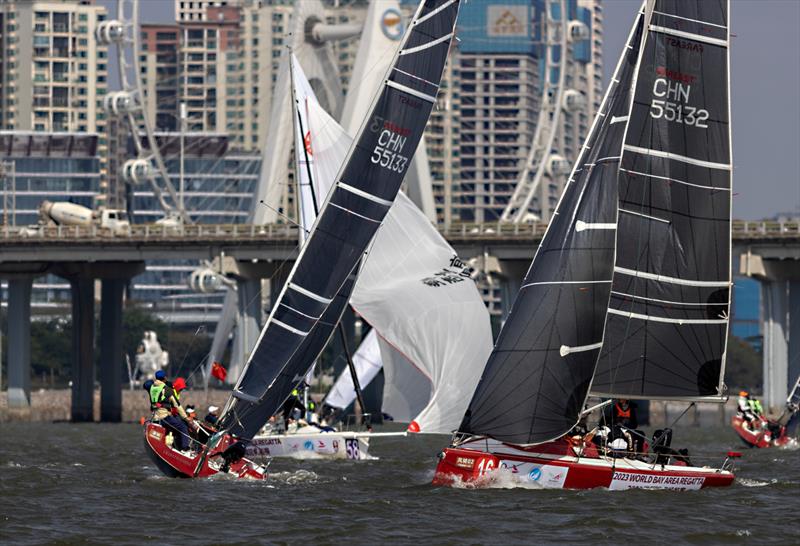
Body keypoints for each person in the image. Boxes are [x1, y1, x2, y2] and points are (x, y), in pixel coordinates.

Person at [153, 376, 192, 453]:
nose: (182, 390)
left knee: (178, 426)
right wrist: (186, 418)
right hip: (167, 415)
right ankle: (184, 448)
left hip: (164, 414)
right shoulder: (171, 392)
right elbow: (177, 406)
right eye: (181, 388)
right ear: (177, 386)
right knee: (183, 426)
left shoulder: (171, 391)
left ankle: (175, 445)